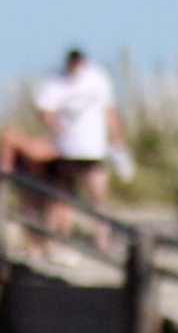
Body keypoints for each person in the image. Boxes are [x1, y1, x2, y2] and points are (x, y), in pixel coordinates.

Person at [33, 49, 122, 236]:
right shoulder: (57, 83)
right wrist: (58, 129)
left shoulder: (97, 79)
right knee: (61, 197)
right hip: (66, 151)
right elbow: (44, 111)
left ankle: (102, 240)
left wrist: (117, 137)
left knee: (98, 197)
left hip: (93, 149)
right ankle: (56, 238)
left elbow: (108, 109)